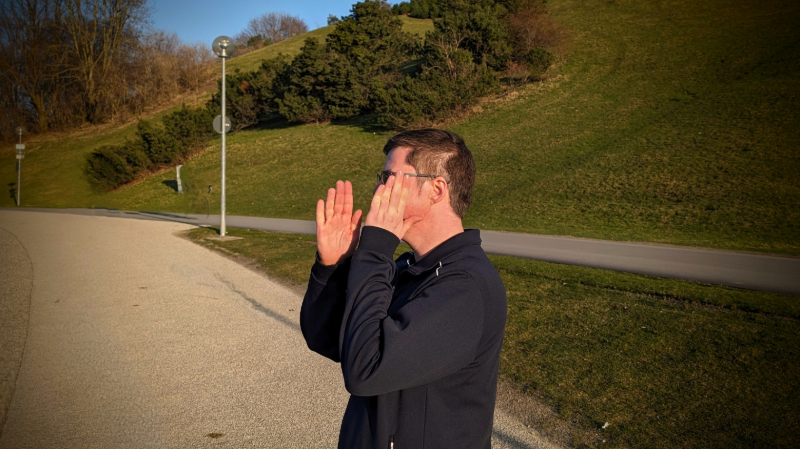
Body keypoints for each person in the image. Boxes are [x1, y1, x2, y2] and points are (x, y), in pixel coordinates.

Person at [301, 129, 507, 448]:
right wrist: (333, 267)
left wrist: (375, 249)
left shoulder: (466, 287)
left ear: (437, 189)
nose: (377, 190)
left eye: (388, 178)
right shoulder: (409, 269)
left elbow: (365, 369)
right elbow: (328, 339)